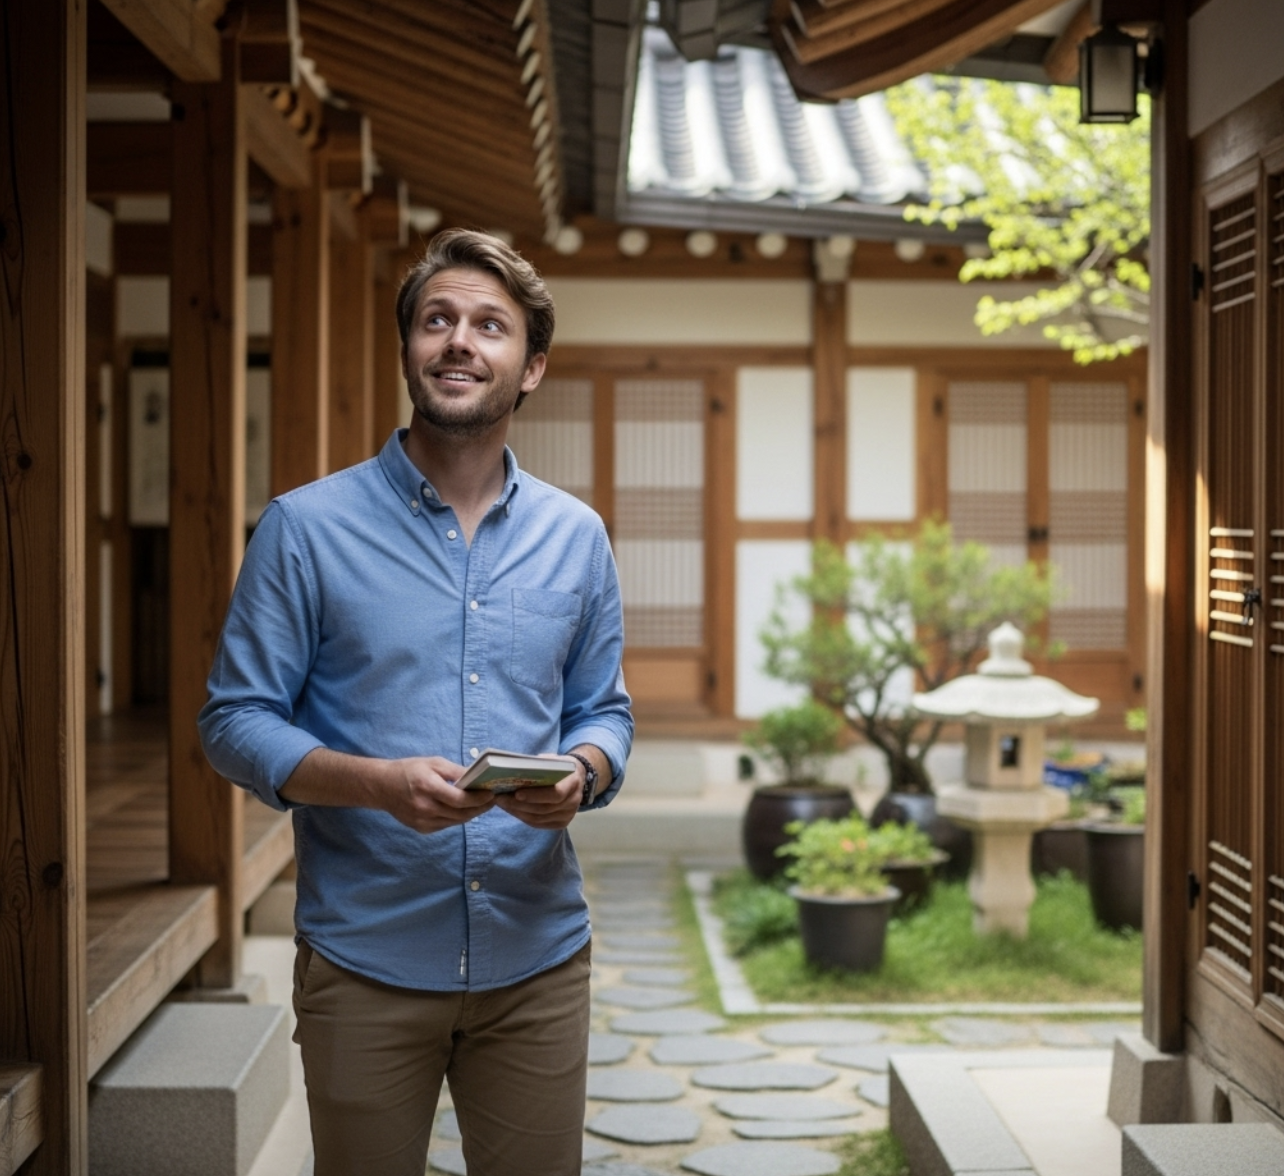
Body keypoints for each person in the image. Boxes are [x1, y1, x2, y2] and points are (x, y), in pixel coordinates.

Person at [198, 228, 633, 1176]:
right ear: (409, 350)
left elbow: (607, 711)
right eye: (437, 320)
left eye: (490, 325)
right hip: (365, 959)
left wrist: (582, 773)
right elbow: (233, 722)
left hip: (538, 959)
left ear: (531, 369)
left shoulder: (577, 536)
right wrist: (375, 783)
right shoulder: (306, 529)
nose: (460, 341)